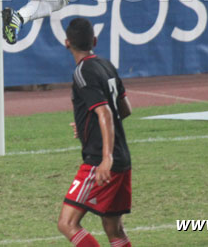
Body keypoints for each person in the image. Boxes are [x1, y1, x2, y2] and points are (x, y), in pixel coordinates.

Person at [58, 18, 133, 247]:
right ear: (95, 40)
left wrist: (105, 159)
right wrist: (85, 126)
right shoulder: (106, 65)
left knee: (67, 223)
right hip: (123, 158)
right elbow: (125, 109)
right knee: (114, 230)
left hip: (100, 160)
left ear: (66, 43)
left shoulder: (82, 72)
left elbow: (107, 114)